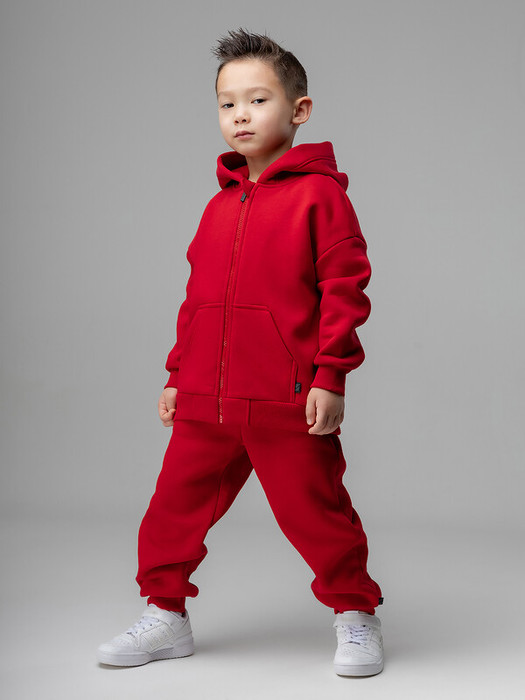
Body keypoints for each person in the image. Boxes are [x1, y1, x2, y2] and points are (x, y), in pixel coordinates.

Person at [97, 27, 384, 677]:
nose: (240, 116)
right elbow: (197, 299)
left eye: (257, 100)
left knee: (316, 514)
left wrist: (330, 376)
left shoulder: (321, 197)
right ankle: (165, 614)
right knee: (171, 511)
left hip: (286, 397)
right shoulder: (217, 207)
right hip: (205, 397)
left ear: (298, 110)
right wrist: (178, 373)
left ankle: (355, 613)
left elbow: (345, 291)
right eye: (227, 104)